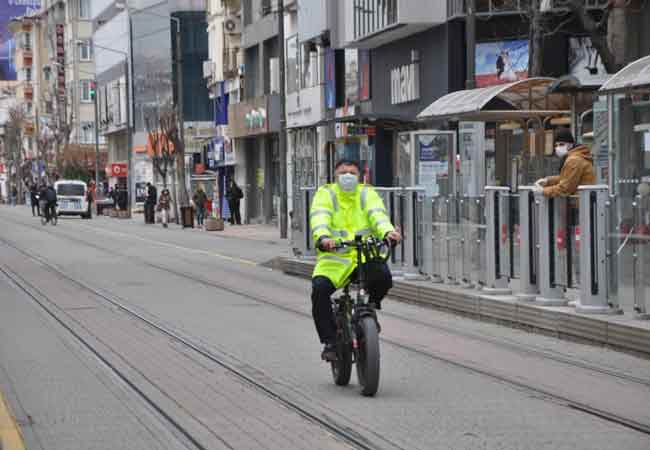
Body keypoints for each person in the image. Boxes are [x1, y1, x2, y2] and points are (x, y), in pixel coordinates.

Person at [310, 159, 402, 361]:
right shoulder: (326, 193)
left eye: (352, 172)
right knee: (319, 290)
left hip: (365, 254)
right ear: (335, 176)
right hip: (334, 259)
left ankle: (370, 307)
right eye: (343, 172)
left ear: (360, 176)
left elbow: (378, 215)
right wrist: (324, 238)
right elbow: (319, 218)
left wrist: (388, 232)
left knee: (384, 277)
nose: (348, 176)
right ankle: (330, 342)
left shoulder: (367, 193)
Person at [535, 128, 596, 198]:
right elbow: (567, 177)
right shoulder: (577, 156)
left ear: (570, 145)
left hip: (580, 204)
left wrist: (543, 191)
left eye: (561, 144)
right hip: (584, 202)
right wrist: (548, 181)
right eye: (556, 145)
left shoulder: (574, 160)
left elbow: (565, 189)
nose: (558, 148)